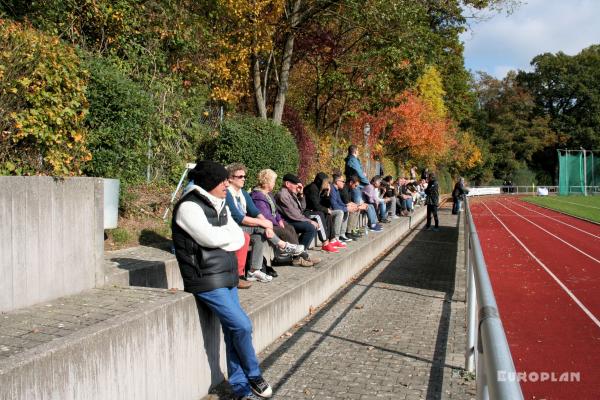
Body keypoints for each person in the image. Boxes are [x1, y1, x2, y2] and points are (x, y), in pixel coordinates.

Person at [171, 161, 272, 400]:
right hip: (205, 279)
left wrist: (223, 238)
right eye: (222, 181)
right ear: (209, 183)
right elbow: (207, 238)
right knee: (243, 325)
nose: (227, 184)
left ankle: (240, 388)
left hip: (226, 276)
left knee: (232, 330)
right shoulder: (189, 207)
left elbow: (237, 237)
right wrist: (224, 238)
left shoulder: (220, 203)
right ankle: (254, 375)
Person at [225, 163, 304, 282]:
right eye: (240, 176)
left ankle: (253, 270)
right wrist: (264, 223)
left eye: (244, 176)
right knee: (262, 229)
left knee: (259, 236)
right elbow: (238, 218)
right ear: (230, 178)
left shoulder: (243, 193)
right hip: (231, 228)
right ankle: (284, 246)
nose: (244, 179)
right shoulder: (227, 193)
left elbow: (255, 211)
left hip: (243, 227)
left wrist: (266, 223)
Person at [250, 169, 318, 267]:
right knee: (286, 231)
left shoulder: (268, 194)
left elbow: (276, 211)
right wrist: (277, 222)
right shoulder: (258, 196)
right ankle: (300, 257)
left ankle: (299, 257)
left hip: (276, 221)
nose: (274, 183)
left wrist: (279, 220)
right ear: (266, 182)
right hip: (267, 224)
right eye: (273, 181)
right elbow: (266, 215)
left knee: (290, 228)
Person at [275, 174, 320, 250]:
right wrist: (309, 221)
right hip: (287, 221)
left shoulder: (291, 194)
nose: (298, 187)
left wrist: (301, 194)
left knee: (312, 225)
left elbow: (302, 208)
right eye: (296, 185)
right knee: (310, 228)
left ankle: (300, 251)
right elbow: (293, 214)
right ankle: (299, 254)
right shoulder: (283, 195)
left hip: (293, 219)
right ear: (287, 184)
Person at [303, 172, 344, 252]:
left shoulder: (319, 189)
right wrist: (326, 209)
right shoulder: (312, 188)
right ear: (320, 181)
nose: (327, 184)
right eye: (325, 182)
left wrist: (327, 194)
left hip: (312, 210)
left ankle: (332, 240)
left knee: (327, 214)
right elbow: (316, 206)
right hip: (306, 212)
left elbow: (325, 205)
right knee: (320, 214)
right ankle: (325, 243)